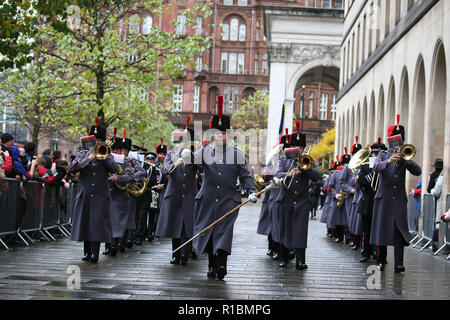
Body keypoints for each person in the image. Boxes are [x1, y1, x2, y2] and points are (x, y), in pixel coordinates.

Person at [193, 95, 257, 280]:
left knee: (224, 232)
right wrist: (184, 154)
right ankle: (212, 265)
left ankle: (221, 265)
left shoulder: (236, 154)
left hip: (228, 201)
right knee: (210, 232)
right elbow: (191, 164)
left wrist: (251, 191)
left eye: (224, 133)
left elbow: (245, 177)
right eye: (217, 133)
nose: (221, 136)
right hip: (207, 199)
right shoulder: (204, 152)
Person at [371, 114, 421, 273]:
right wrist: (389, 161)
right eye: (394, 141)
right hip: (383, 198)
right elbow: (376, 168)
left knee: (399, 231)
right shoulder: (383, 155)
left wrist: (406, 159)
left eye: (399, 141)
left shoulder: (405, 155)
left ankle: (399, 263)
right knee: (382, 230)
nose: (397, 145)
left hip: (398, 198)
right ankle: (381, 260)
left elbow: (417, 171)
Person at [68, 118, 118, 263]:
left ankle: (95, 253)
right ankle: (87, 252)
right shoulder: (81, 154)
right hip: (85, 194)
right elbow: (72, 169)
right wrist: (87, 159)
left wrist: (104, 157)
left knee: (96, 225)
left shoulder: (107, 154)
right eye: (94, 139)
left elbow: (114, 169)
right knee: (85, 223)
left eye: (99, 139)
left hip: (100, 195)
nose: (96, 142)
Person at [274, 123, 321, 270]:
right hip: (286, 198)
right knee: (285, 229)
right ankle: (284, 258)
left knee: (300, 231)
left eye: (300, 147)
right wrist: (289, 173)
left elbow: (316, 177)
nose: (298, 149)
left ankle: (300, 260)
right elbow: (277, 175)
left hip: (301, 200)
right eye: (295, 146)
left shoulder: (307, 159)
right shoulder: (284, 159)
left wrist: (304, 167)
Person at [156, 116, 199, 265]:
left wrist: (191, 157)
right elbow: (164, 169)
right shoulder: (171, 153)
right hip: (174, 194)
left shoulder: (195, 154)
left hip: (188, 195)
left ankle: (184, 254)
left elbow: (201, 167)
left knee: (186, 227)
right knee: (175, 225)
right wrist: (175, 163)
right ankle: (175, 254)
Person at [257, 128, 290, 258]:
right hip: (273, 194)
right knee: (272, 224)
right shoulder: (274, 160)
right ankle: (273, 247)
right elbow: (266, 174)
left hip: (286, 194)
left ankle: (285, 249)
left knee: (283, 224)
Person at [104, 129, 134, 257]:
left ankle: (113, 245)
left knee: (115, 222)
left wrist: (119, 178)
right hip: (105, 194)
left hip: (118, 195)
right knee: (107, 222)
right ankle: (108, 245)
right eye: (114, 150)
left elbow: (130, 175)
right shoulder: (104, 158)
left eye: (118, 150)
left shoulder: (124, 160)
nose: (116, 152)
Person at [121, 133, 146, 249]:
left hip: (129, 192)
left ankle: (129, 238)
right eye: (121, 150)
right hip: (118, 192)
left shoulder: (132, 161)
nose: (122, 152)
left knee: (130, 215)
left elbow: (142, 172)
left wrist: (131, 178)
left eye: (125, 150)